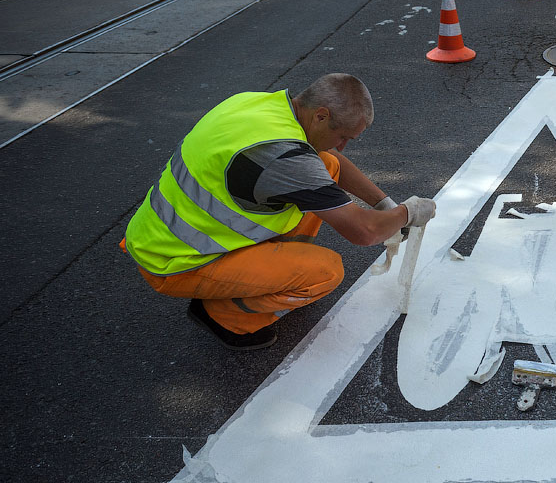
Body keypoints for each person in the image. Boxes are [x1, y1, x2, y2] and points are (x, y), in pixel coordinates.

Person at [121, 73, 436, 350]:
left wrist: (384, 204)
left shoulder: (258, 105)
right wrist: (407, 213)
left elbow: (334, 164)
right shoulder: (283, 159)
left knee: (324, 165)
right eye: (343, 137)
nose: (343, 146)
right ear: (322, 116)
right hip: (178, 259)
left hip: (161, 233)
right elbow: (363, 231)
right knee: (326, 273)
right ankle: (223, 316)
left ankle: (270, 272)